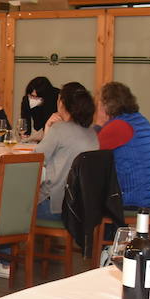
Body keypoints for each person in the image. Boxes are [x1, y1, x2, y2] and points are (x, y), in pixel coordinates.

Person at [35, 82, 99, 217]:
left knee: (5, 202)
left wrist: (48, 128)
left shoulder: (59, 129)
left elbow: (33, 161)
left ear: (62, 103)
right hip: (83, 207)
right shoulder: (92, 133)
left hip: (56, 206)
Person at [96, 81, 150, 210]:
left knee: (81, 195)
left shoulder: (118, 126)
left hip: (132, 198)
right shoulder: (138, 119)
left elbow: (89, 153)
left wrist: (99, 122)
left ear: (106, 105)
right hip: (146, 195)